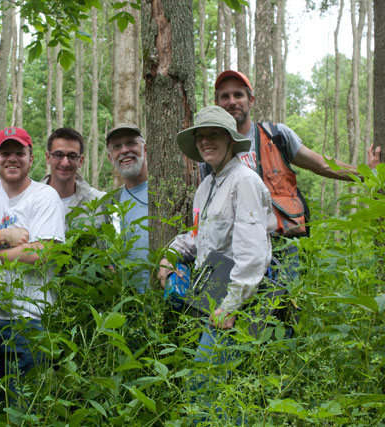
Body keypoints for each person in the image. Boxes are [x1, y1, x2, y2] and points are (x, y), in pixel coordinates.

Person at [158, 106, 276, 420]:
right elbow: (198, 236)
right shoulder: (207, 187)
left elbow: (253, 252)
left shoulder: (244, 182)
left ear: (229, 139)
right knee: (220, 385)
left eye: (214, 135)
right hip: (212, 291)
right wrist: (169, 258)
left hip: (239, 299)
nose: (206, 141)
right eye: (200, 136)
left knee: (204, 383)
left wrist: (231, 305)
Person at [0, 126, 65, 403]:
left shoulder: (44, 197)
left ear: (31, 158)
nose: (12, 158)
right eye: (5, 152)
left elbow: (41, 253)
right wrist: (3, 237)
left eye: (19, 152)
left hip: (31, 320)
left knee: (26, 407)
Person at [214, 70, 381, 237]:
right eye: (225, 96)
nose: (232, 102)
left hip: (282, 243)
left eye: (238, 95)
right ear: (217, 103)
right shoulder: (209, 150)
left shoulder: (276, 135)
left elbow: (322, 165)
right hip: (235, 244)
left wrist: (369, 173)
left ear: (251, 100)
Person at [105, 124, 150, 293]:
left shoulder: (166, 192)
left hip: (169, 302)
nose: (124, 150)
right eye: (117, 147)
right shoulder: (110, 204)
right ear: (110, 158)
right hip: (129, 307)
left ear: (145, 150)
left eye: (131, 143)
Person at [41, 127, 105, 229]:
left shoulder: (100, 202)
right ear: (48, 157)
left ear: (81, 161)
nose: (65, 163)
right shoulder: (31, 200)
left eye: (72, 156)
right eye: (58, 155)